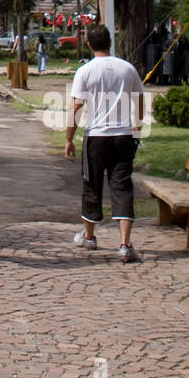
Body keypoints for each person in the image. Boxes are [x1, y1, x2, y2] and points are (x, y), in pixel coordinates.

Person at [65, 24, 143, 263]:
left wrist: (69, 137)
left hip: (96, 136)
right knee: (122, 186)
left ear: (89, 45)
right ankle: (125, 243)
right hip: (123, 135)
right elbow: (140, 99)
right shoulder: (127, 68)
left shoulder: (85, 71)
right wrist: (137, 126)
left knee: (92, 184)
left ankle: (89, 236)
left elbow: (76, 106)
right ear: (110, 42)